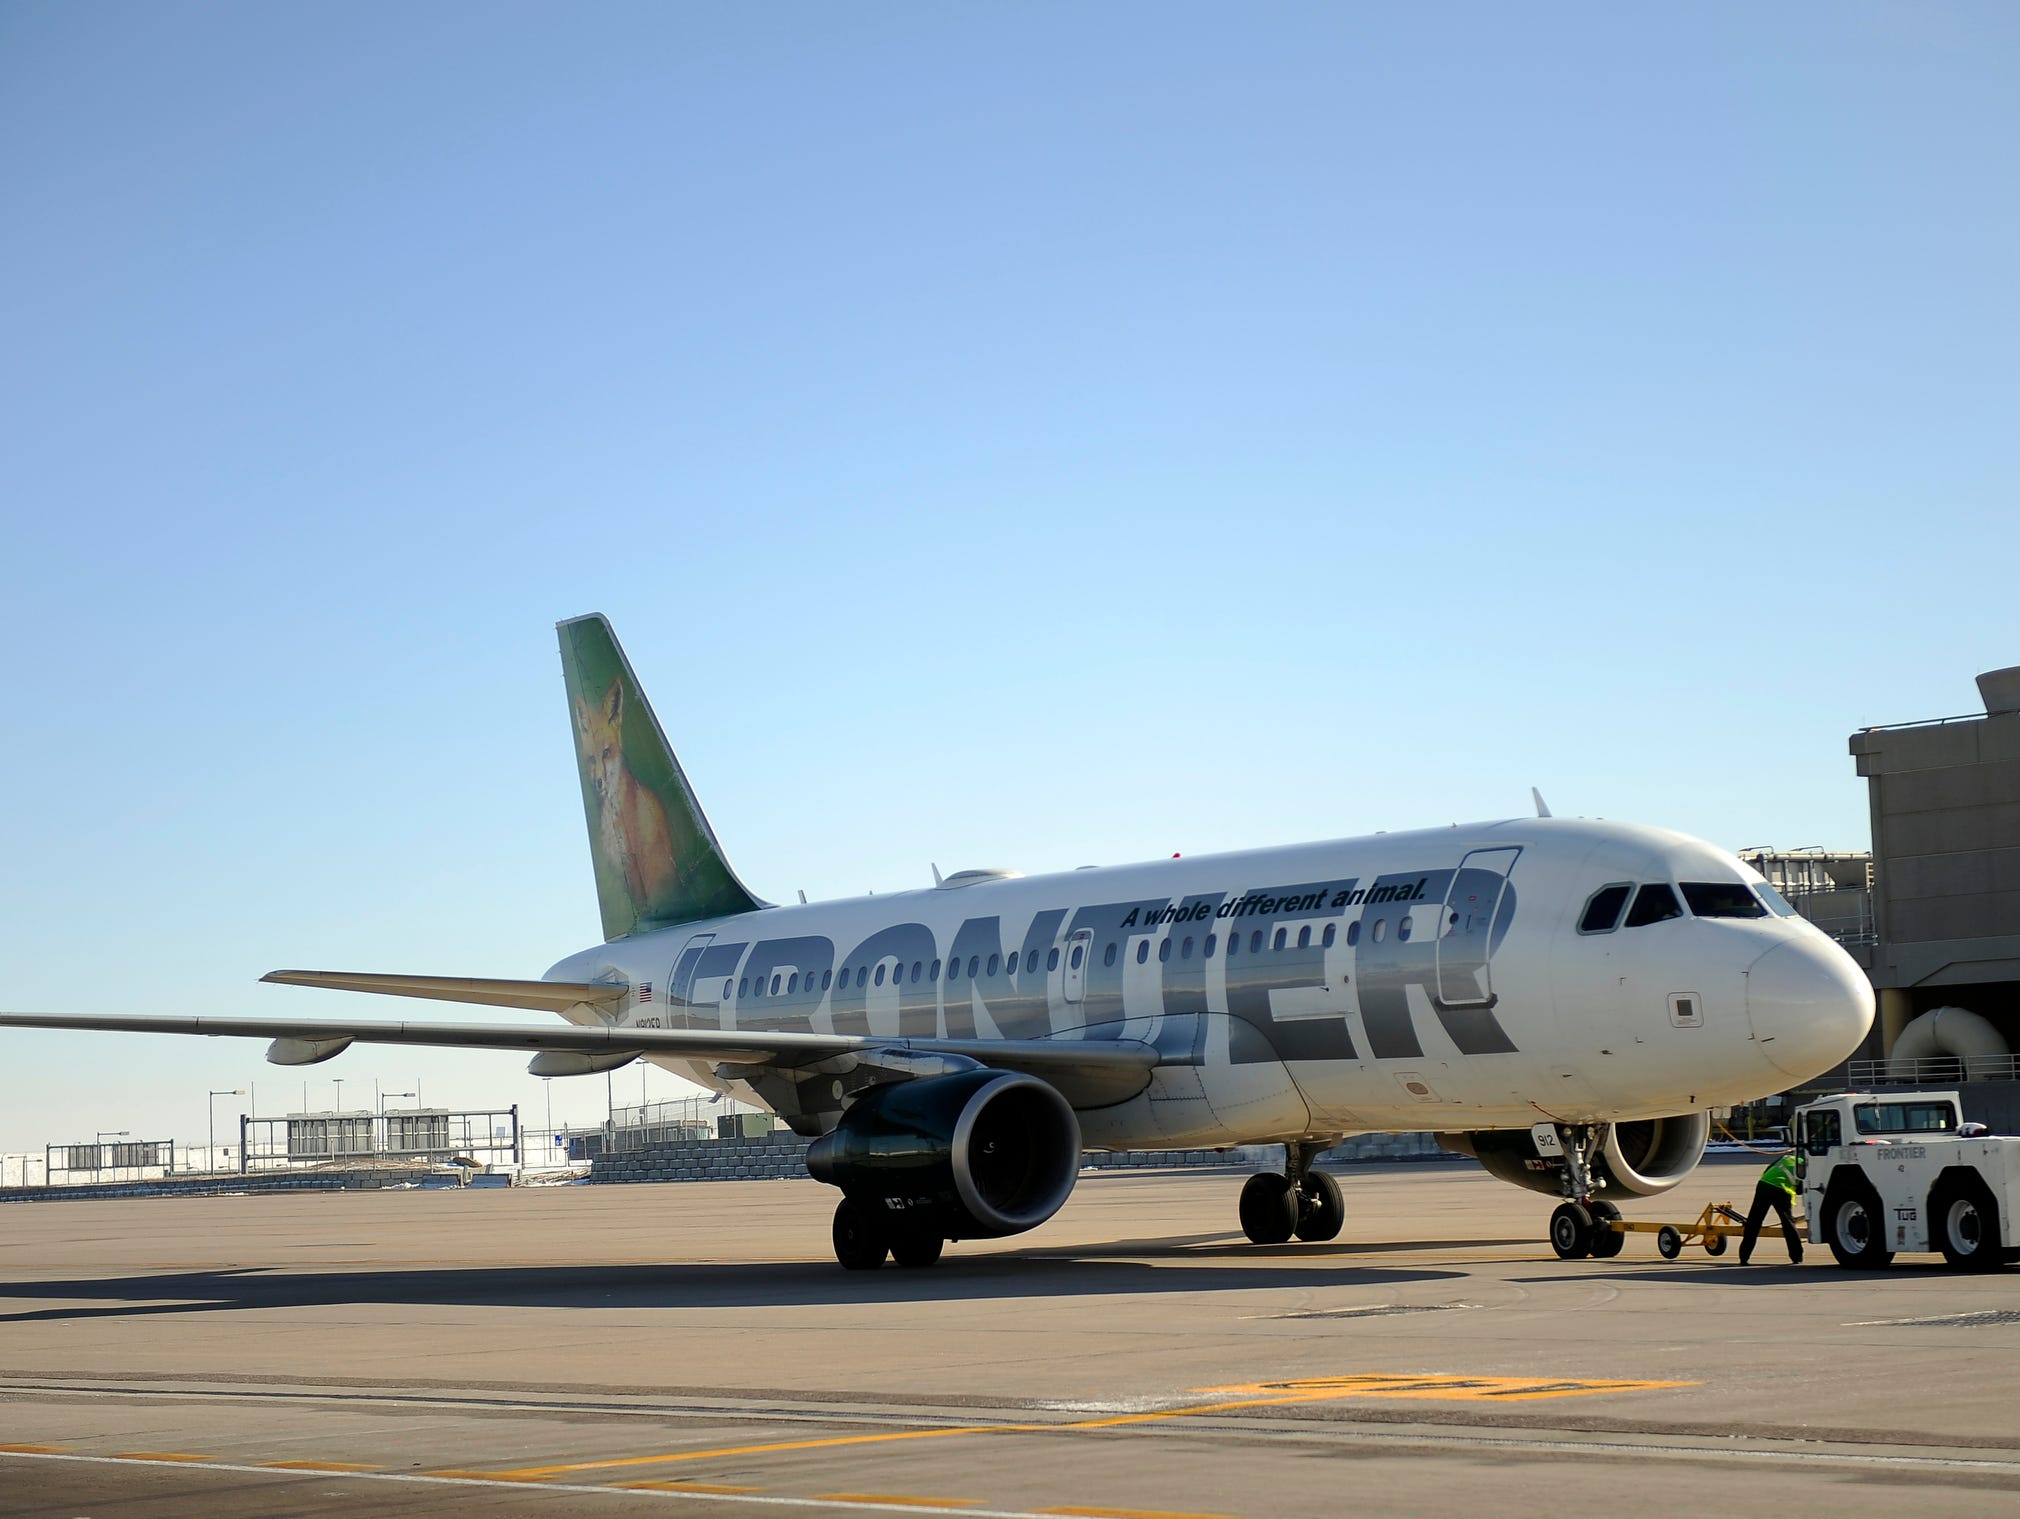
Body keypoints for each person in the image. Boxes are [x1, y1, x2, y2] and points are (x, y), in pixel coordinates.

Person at [1738, 1148, 1804, 1265]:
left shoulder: (1786, 1157)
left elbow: (1768, 1169)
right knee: (1788, 1224)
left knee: (1754, 1222)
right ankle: (1796, 1256)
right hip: (1781, 1190)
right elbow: (1800, 1189)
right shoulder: (1805, 1165)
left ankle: (1744, 1257)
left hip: (1764, 1184)